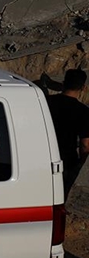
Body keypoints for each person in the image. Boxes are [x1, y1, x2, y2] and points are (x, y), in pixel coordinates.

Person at [46, 68, 89, 200]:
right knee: (59, 198)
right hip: (66, 161)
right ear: (83, 88)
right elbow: (85, 145)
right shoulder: (83, 111)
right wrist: (80, 163)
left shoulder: (46, 102)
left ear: (63, 83)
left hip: (42, 156)